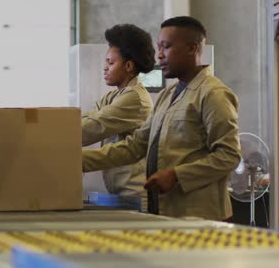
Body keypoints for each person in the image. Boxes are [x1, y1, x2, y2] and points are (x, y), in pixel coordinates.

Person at [82, 16, 241, 221]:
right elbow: (135, 146)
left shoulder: (213, 94)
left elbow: (229, 155)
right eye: (158, 47)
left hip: (199, 215)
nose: (159, 55)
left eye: (166, 47)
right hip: (166, 211)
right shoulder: (168, 95)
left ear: (192, 48)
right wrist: (79, 160)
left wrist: (176, 175)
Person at [81, 24, 155, 201]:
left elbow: (90, 129)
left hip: (135, 192)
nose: (105, 68)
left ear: (128, 66)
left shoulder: (134, 98)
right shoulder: (113, 96)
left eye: (111, 62)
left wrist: (49, 140)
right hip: (120, 191)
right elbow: (87, 120)